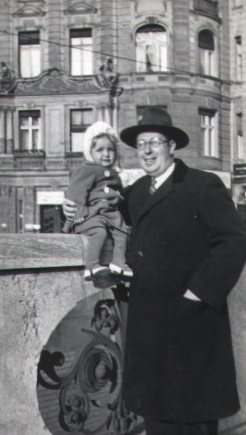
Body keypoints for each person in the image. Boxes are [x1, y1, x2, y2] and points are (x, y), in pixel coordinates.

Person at [63, 107, 246, 435]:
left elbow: (234, 243)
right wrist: (73, 207)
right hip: (150, 331)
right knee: (158, 420)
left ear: (171, 146)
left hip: (192, 326)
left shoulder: (202, 185)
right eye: (141, 144)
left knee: (193, 421)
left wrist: (197, 294)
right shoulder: (136, 192)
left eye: (155, 142)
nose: (146, 150)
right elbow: (105, 214)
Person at [63, 121, 133, 281]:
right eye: (100, 150)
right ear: (90, 152)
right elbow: (75, 193)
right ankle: (91, 265)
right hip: (90, 216)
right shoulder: (86, 170)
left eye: (110, 149)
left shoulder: (114, 174)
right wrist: (79, 214)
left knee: (122, 233)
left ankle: (118, 263)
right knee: (98, 232)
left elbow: (120, 196)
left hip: (110, 216)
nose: (106, 154)